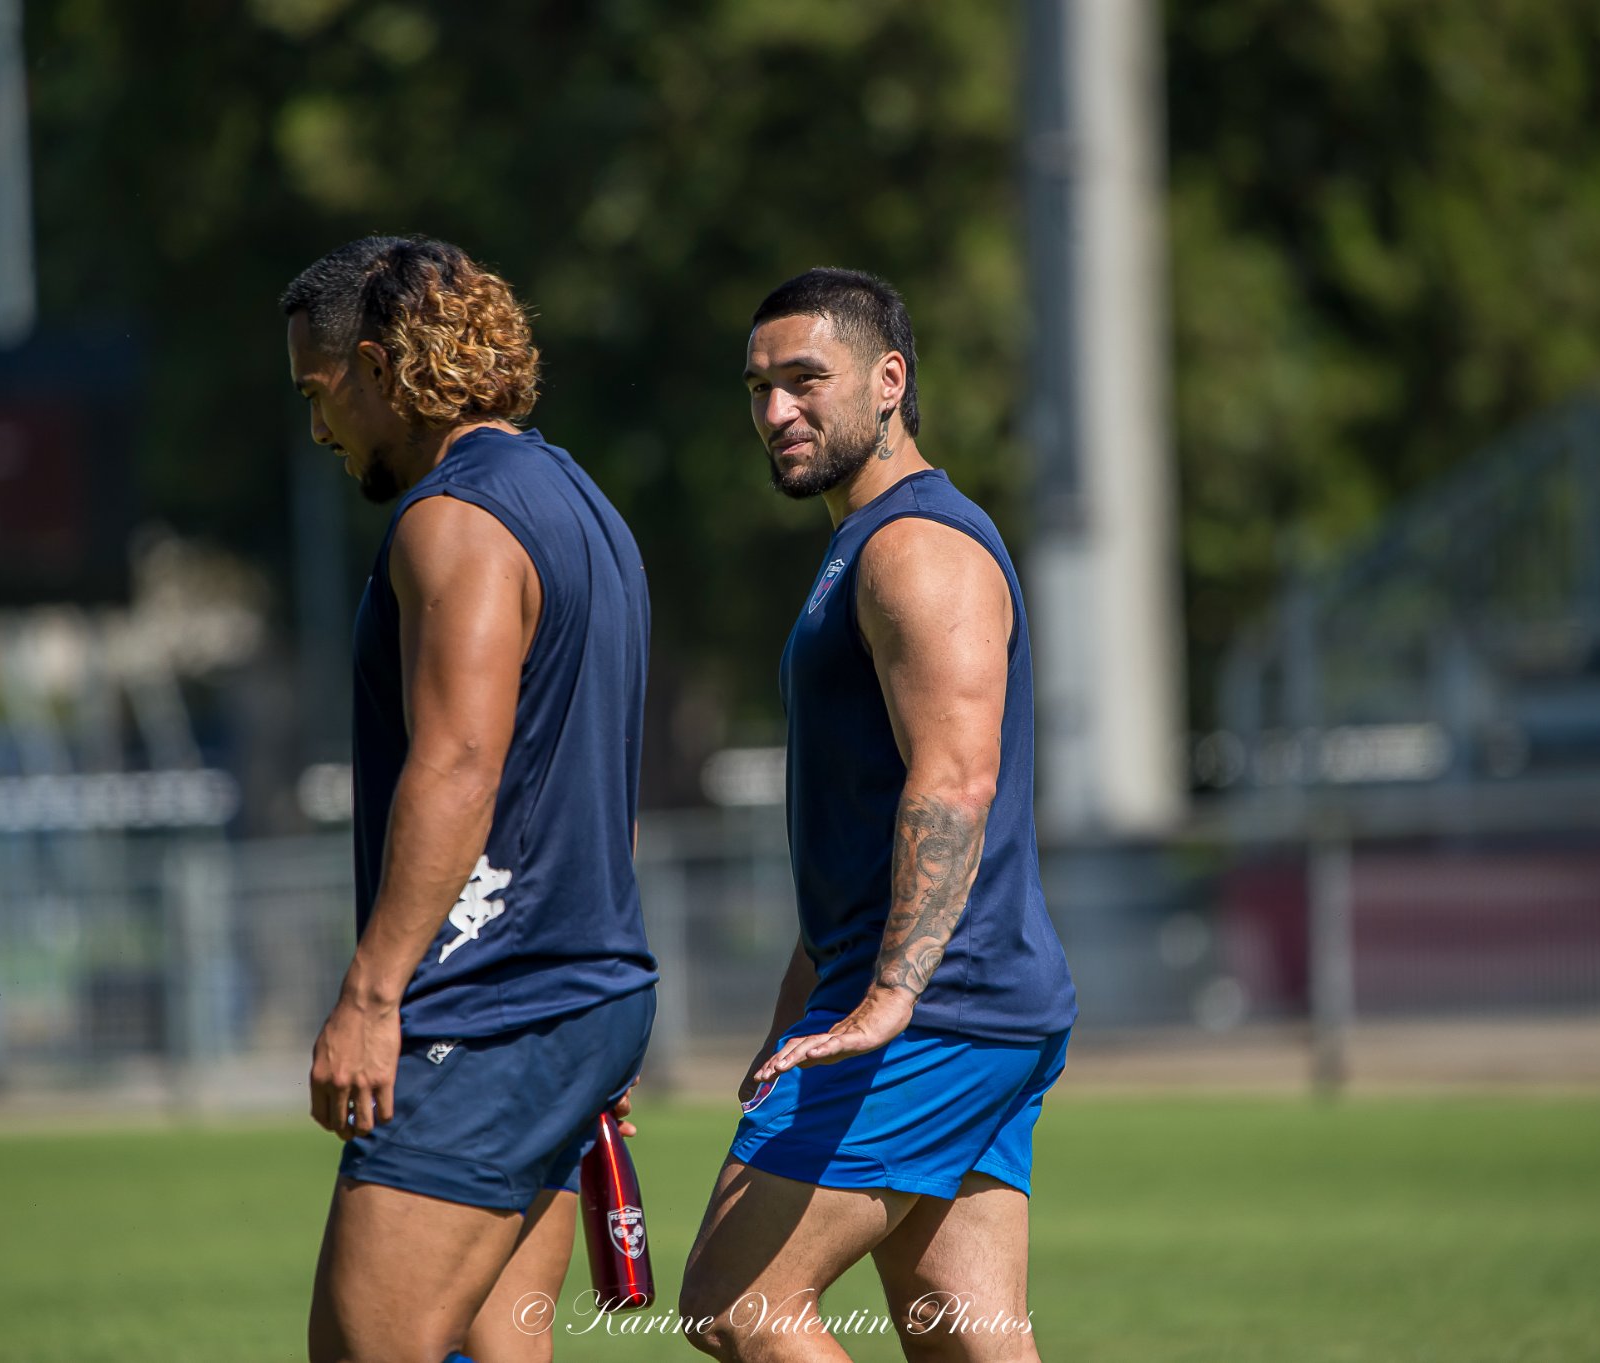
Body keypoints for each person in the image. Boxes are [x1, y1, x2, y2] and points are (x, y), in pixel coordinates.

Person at [680, 268, 1078, 1362]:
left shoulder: (914, 549)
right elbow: (855, 839)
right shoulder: (862, 547)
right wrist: (796, 1002)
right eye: (757, 388)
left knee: (736, 1300)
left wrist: (887, 996)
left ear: (888, 381)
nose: (775, 412)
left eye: (805, 380)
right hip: (967, 1003)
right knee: (964, 1336)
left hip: (936, 1007)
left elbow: (952, 782)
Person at [281, 235, 657, 1363]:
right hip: (572, 990)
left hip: (490, 1005)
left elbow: (457, 765)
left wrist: (370, 997)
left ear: (383, 368)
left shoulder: (452, 521)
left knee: (369, 1348)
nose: (318, 431)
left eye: (321, 392)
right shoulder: (582, 503)